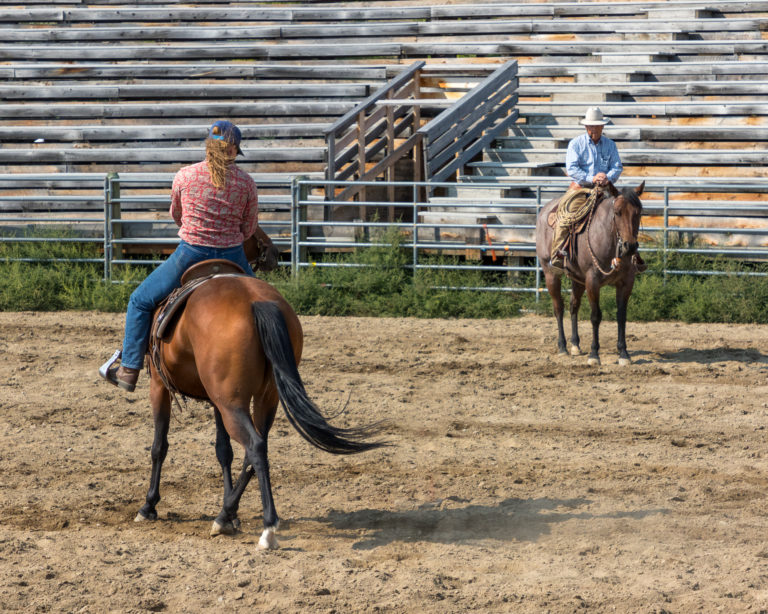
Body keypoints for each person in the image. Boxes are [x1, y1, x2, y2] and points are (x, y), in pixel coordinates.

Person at [99, 120, 259, 392]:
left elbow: (177, 214)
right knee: (267, 306)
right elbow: (249, 228)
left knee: (139, 301)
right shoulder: (246, 182)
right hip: (233, 256)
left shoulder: (185, 175)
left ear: (209, 146)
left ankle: (129, 369)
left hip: (190, 255)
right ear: (234, 150)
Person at [551, 107, 645, 273]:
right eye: (590, 126)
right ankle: (558, 253)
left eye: (596, 126)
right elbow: (571, 169)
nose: (593, 129)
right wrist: (592, 178)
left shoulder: (610, 145)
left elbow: (617, 166)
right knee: (566, 216)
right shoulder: (576, 144)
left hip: (605, 190)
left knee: (623, 214)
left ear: (602, 127)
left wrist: (607, 177)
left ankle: (631, 252)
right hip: (581, 189)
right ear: (586, 127)